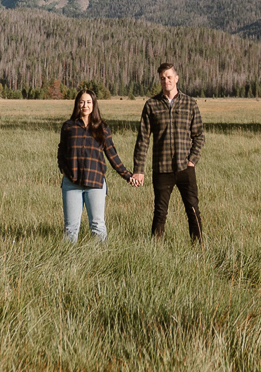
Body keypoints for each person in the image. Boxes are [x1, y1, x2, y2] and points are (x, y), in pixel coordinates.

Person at [131, 62, 205, 242]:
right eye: (163, 78)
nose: (166, 81)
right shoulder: (151, 105)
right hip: (161, 168)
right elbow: (143, 139)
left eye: (169, 77)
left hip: (184, 168)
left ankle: (199, 248)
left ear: (176, 78)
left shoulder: (190, 104)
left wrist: (192, 160)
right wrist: (139, 170)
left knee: (193, 209)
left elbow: (199, 136)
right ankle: (155, 250)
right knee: (160, 212)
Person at [57, 89, 136, 243]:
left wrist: (127, 175)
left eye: (88, 102)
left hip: (95, 183)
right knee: (71, 228)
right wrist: (64, 169)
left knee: (97, 225)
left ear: (93, 105)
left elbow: (112, 155)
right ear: (77, 104)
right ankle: (68, 261)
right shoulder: (68, 126)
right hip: (71, 184)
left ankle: (100, 259)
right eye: (81, 102)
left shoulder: (103, 128)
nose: (84, 105)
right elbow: (61, 151)